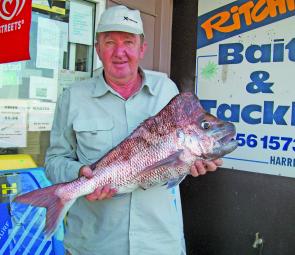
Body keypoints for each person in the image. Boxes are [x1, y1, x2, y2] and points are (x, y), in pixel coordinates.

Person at [45, 5, 222, 255]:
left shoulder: (166, 91)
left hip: (159, 243)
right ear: (97, 49)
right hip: (95, 245)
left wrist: (194, 163)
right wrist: (80, 173)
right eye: (109, 43)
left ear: (142, 49)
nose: (120, 52)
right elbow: (53, 161)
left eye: (129, 42)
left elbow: (181, 155)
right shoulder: (73, 97)